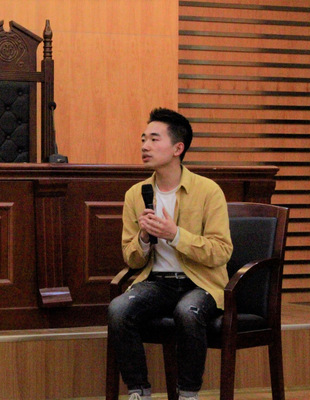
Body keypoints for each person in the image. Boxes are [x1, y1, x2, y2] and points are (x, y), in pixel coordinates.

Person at [107, 108, 233, 400]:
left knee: (187, 312)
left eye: (154, 139)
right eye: (143, 139)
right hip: (158, 282)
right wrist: (144, 237)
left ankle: (188, 394)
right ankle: (139, 391)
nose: (145, 146)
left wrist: (175, 234)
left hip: (200, 282)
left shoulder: (208, 191)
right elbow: (131, 259)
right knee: (118, 309)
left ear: (178, 148)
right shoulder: (136, 194)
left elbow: (221, 251)